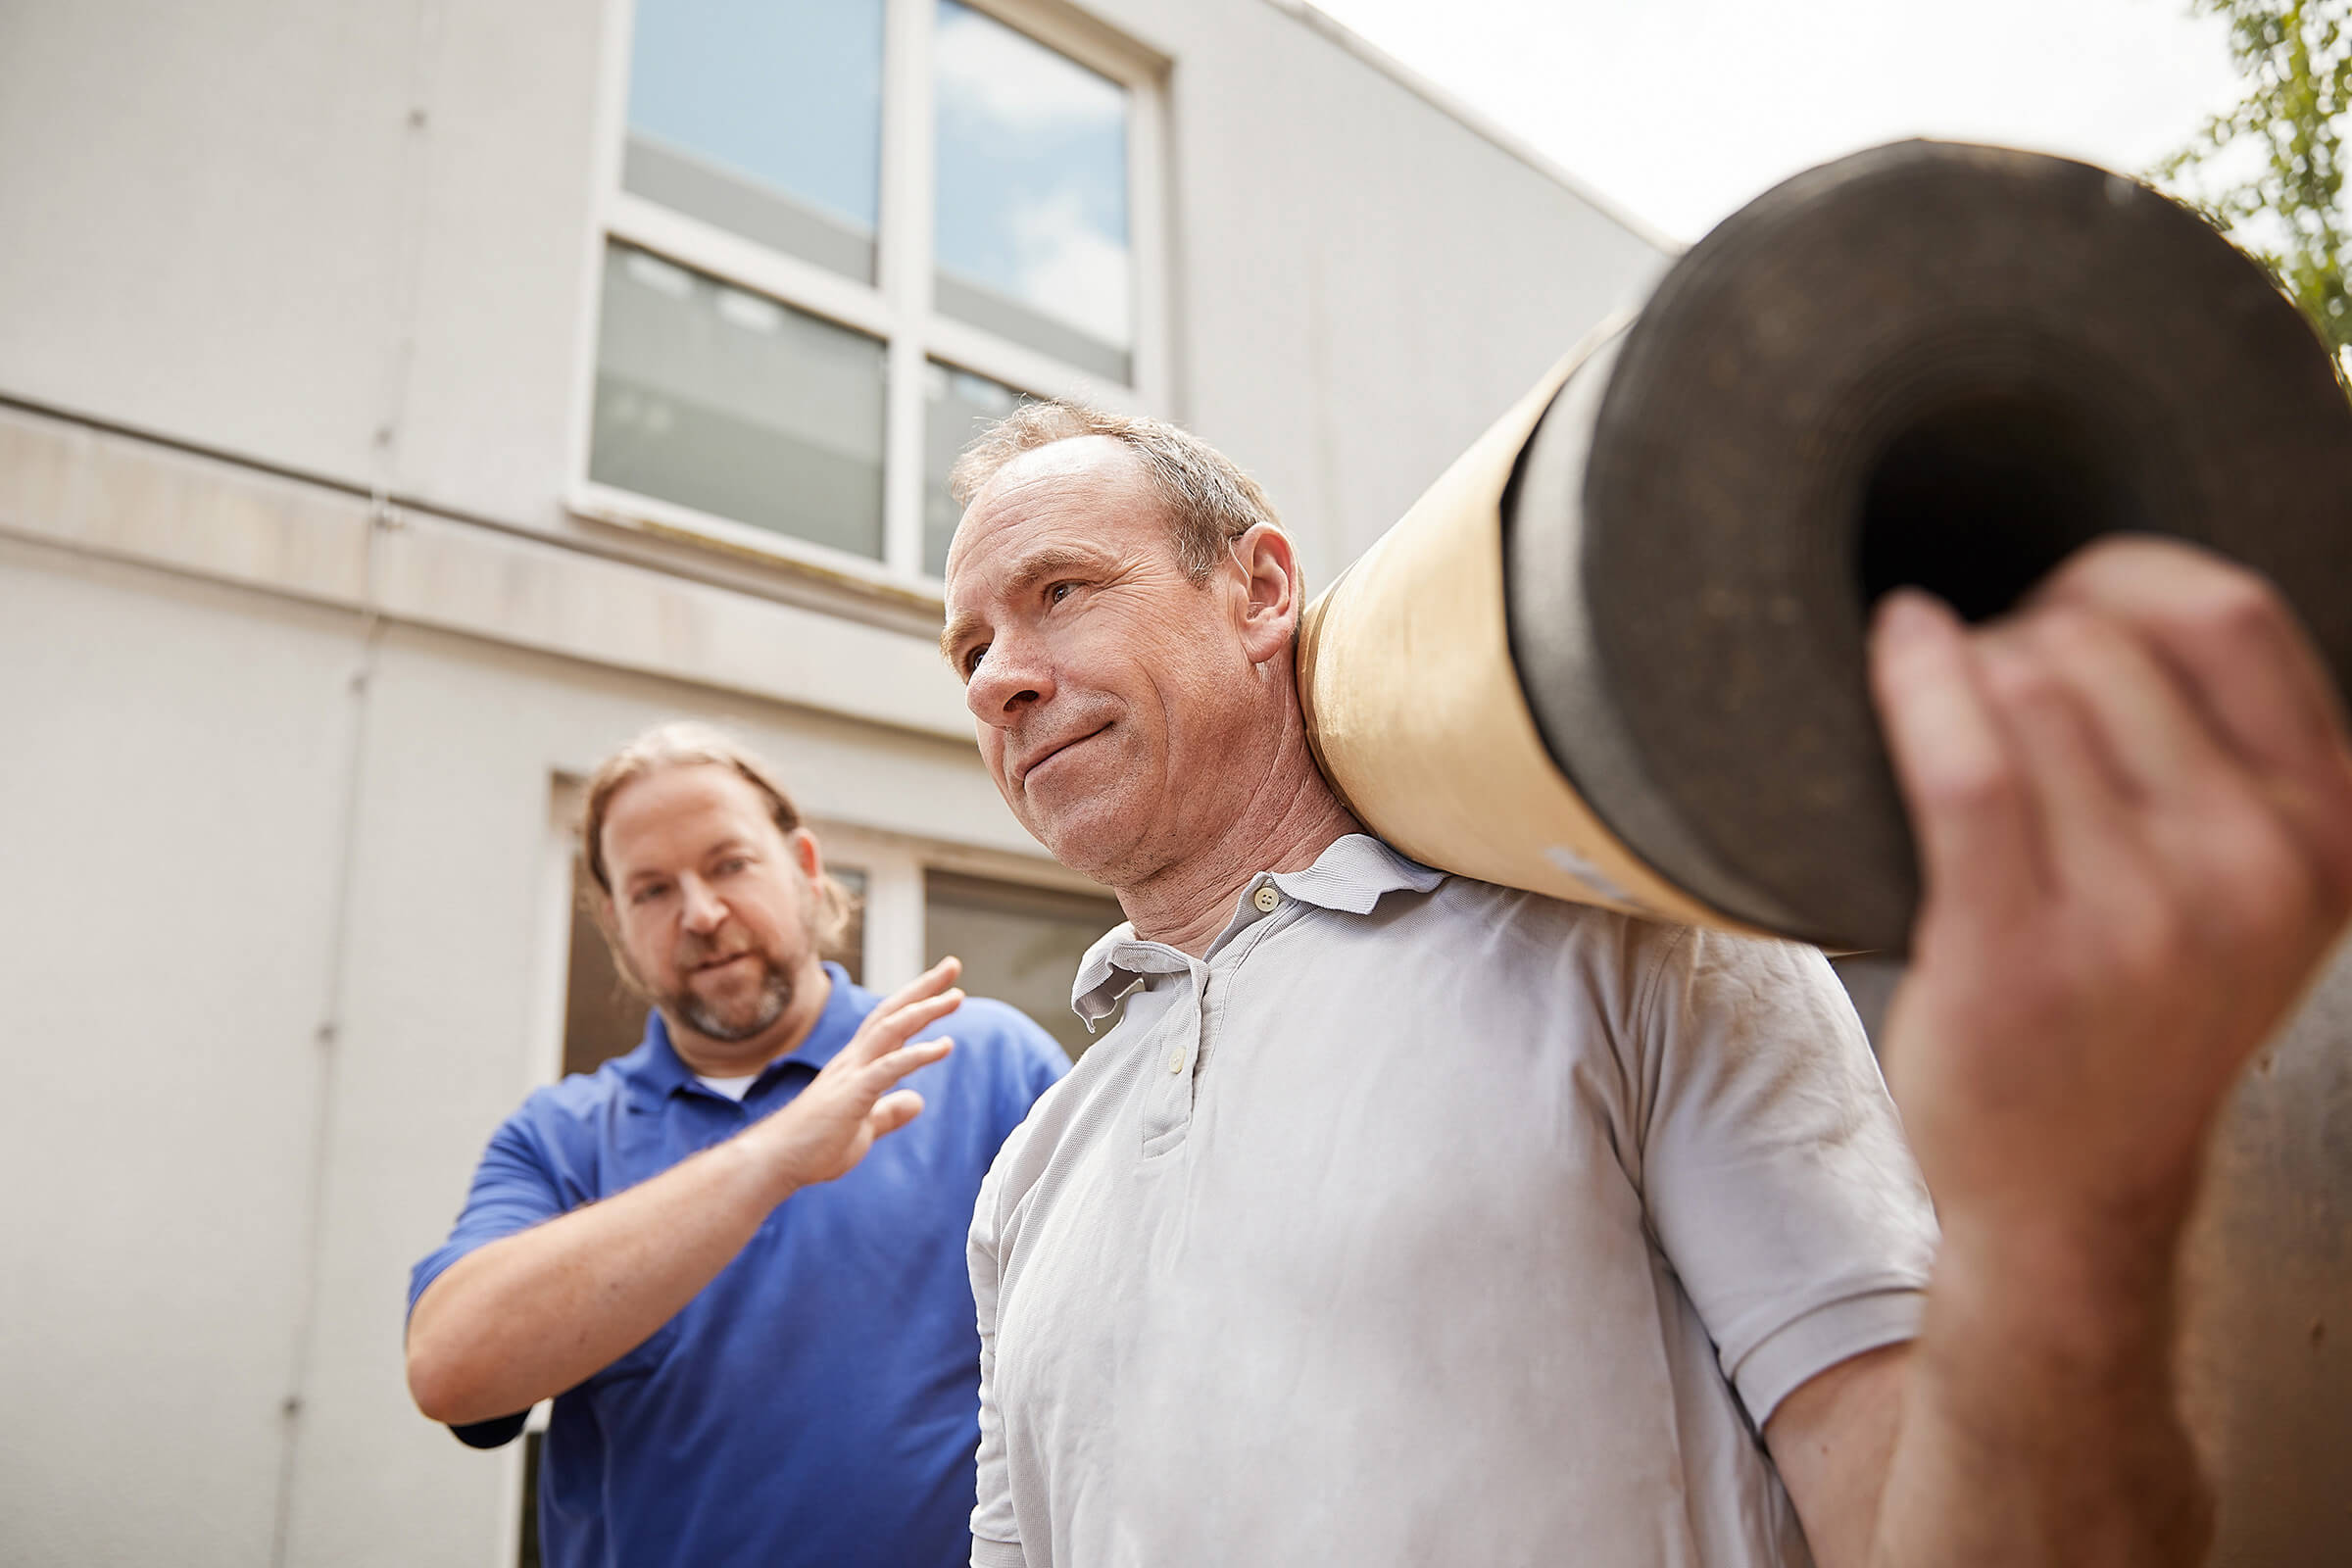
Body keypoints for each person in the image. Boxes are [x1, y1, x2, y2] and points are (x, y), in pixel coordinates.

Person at [936, 405, 2352, 1567]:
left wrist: (2068, 1210)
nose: (1003, 676)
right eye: (970, 649)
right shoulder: (1028, 1179)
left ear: (1257, 592)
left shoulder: (1634, 942)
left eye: (1060, 591)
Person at [404, 722, 1070, 1568]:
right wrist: (775, 1153)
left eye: (729, 864)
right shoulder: (560, 1140)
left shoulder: (979, 1062)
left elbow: (1119, 1362)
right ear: (614, 920)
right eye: (652, 890)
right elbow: (450, 1369)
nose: (703, 914)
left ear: (804, 866)